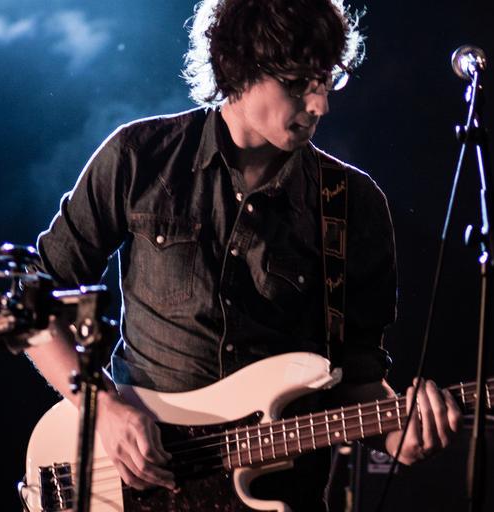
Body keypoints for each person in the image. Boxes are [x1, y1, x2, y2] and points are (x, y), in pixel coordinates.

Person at [25, 0, 462, 509]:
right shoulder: (140, 157)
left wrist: (399, 433)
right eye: (298, 83)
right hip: (136, 482)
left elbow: (358, 377)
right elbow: (33, 301)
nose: (320, 105)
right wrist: (103, 408)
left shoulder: (353, 205)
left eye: (327, 81)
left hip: (280, 496)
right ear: (238, 66)